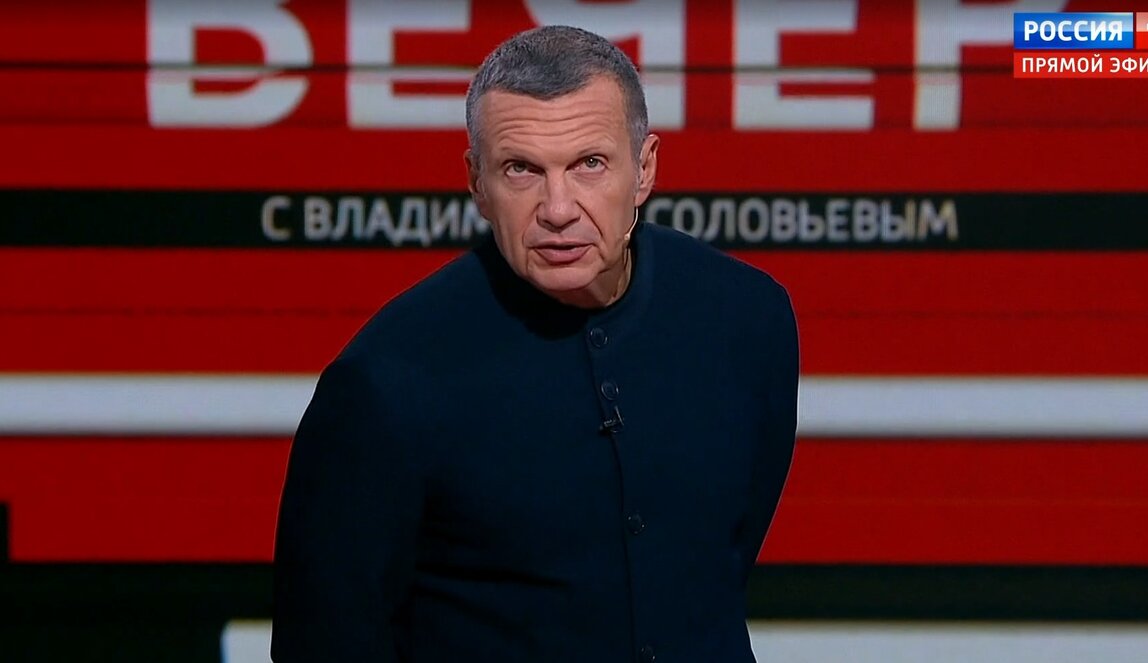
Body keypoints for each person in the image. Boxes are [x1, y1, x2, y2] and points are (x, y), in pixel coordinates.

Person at [271, 25, 799, 663]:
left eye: (589, 164)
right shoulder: (387, 380)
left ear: (645, 169)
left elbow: (722, 563)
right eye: (521, 169)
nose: (558, 208)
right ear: (477, 183)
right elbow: (324, 640)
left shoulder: (746, 318)